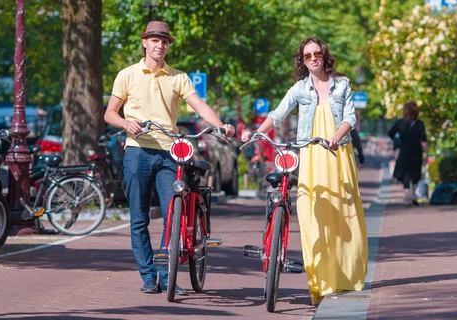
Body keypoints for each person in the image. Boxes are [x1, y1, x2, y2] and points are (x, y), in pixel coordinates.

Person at [104, 21, 235, 295]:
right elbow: (110, 113)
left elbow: (198, 105)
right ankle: (148, 276)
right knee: (138, 217)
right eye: (154, 40)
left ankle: (167, 276)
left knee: (171, 214)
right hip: (137, 150)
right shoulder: (127, 74)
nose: (159, 46)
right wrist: (125, 124)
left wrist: (221, 125)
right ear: (144, 43)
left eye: (164, 42)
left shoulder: (178, 77)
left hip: (169, 152)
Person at [241, 36, 368, 305]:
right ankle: (319, 279)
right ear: (302, 60)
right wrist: (256, 133)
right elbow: (278, 114)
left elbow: (349, 118)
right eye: (307, 55)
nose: (313, 59)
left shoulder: (341, 84)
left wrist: (336, 135)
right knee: (311, 215)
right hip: (310, 155)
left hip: (337, 155)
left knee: (341, 214)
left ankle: (343, 276)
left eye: (317, 53)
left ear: (324, 55)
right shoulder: (299, 89)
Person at [387, 101, 427, 206]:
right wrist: (426, 154)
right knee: (415, 173)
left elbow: (390, 133)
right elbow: (423, 140)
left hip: (404, 151)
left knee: (405, 174)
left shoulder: (400, 123)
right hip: (417, 151)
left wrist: (398, 141)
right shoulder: (419, 124)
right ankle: (414, 195)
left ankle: (407, 197)